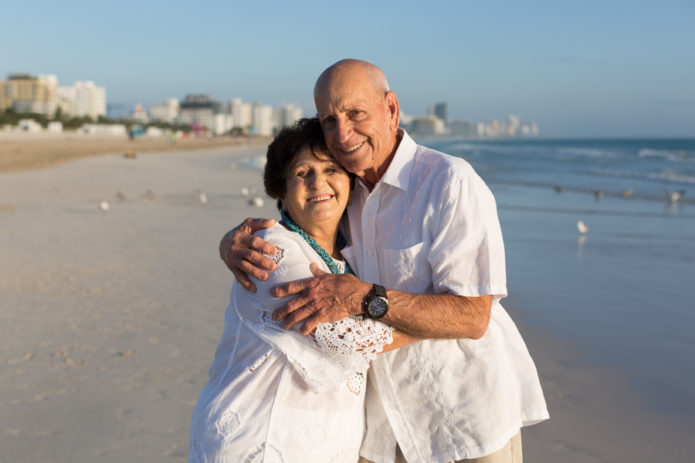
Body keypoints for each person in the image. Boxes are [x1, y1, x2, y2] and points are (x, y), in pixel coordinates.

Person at [221, 59, 549, 463]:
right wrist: (231, 243)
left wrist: (364, 298)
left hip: (464, 418)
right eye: (329, 120)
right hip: (380, 429)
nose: (342, 133)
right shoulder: (345, 191)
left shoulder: (449, 183)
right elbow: (299, 231)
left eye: (355, 113)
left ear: (391, 108)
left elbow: (473, 318)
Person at [190, 118, 417, 463]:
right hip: (260, 442)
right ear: (280, 190)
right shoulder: (270, 249)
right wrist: (443, 320)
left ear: (350, 182)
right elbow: (347, 337)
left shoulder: (353, 255)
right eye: (302, 173)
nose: (318, 183)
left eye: (331, 170)